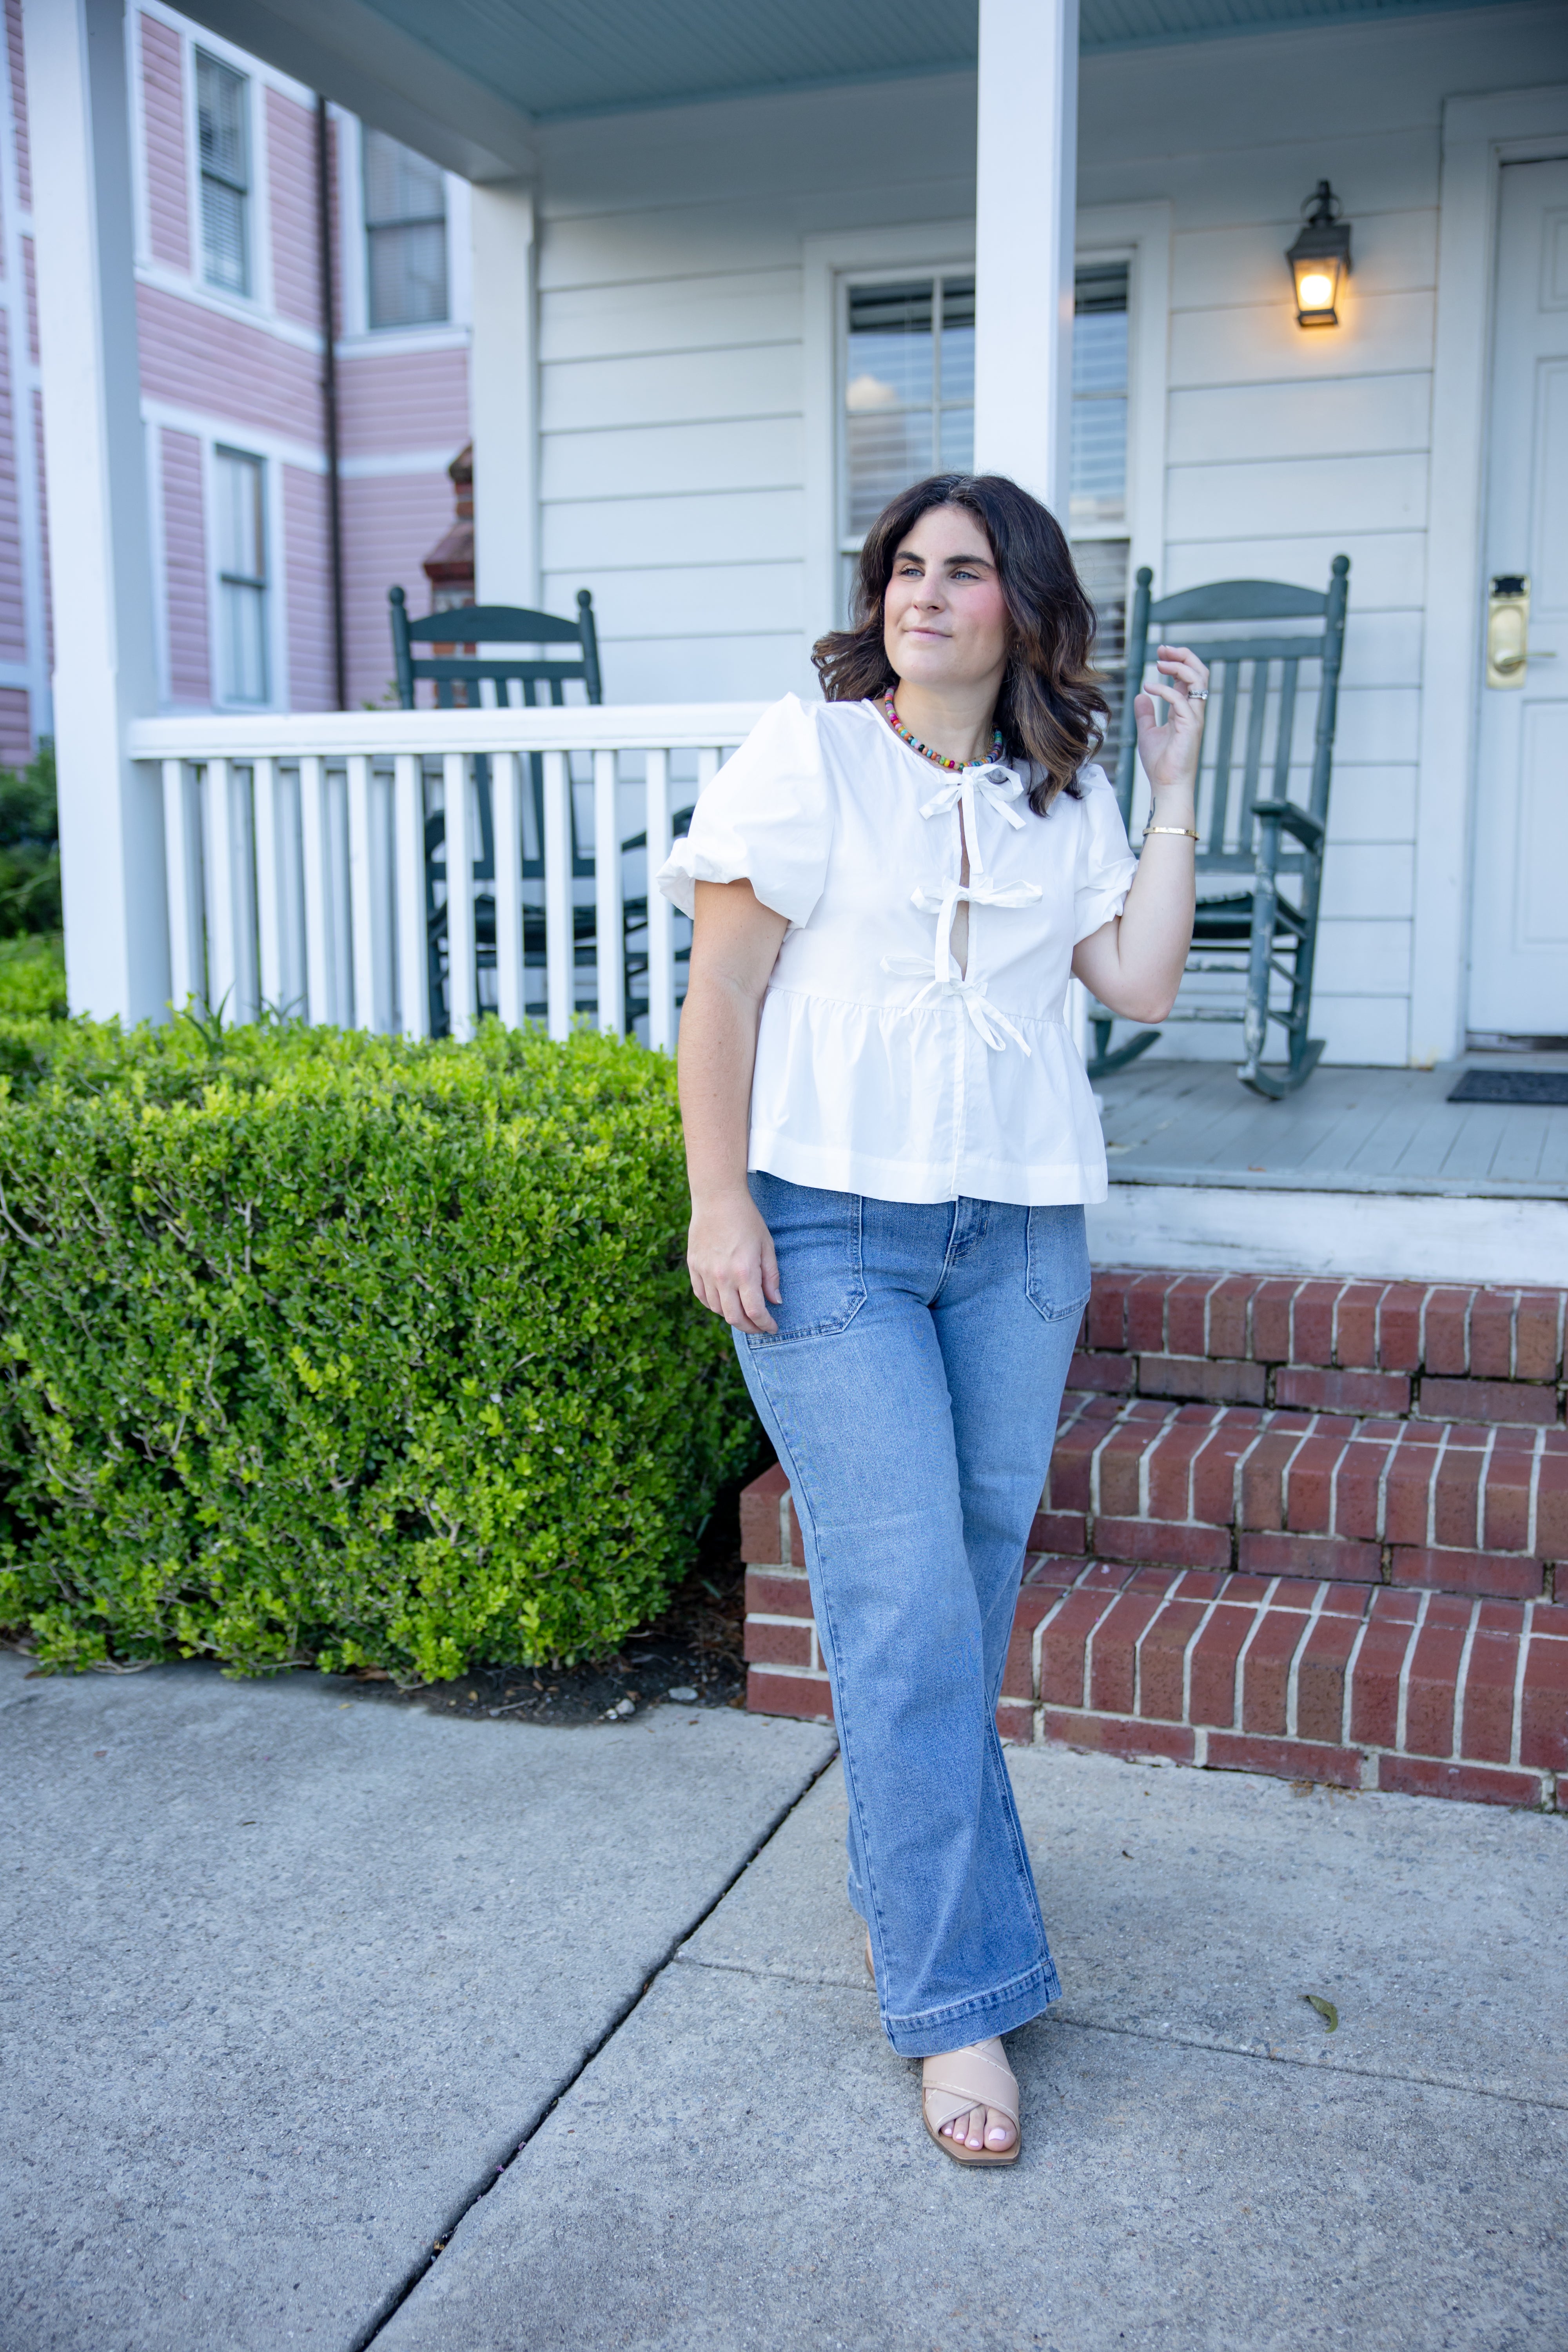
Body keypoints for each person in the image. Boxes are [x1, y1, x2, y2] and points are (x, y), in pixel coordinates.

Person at [657, 472, 1205, 2165]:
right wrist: (719, 1199)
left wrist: (1171, 789)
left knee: (951, 1613)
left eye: (963, 571)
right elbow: (722, 991)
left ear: (1021, 605)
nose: (924, 592)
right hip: (827, 1233)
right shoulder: (810, 753)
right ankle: (958, 2006)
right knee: (901, 1614)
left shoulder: (1066, 793)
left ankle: (940, 1927)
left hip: (1019, 1236)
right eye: (906, 566)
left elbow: (1141, 985)